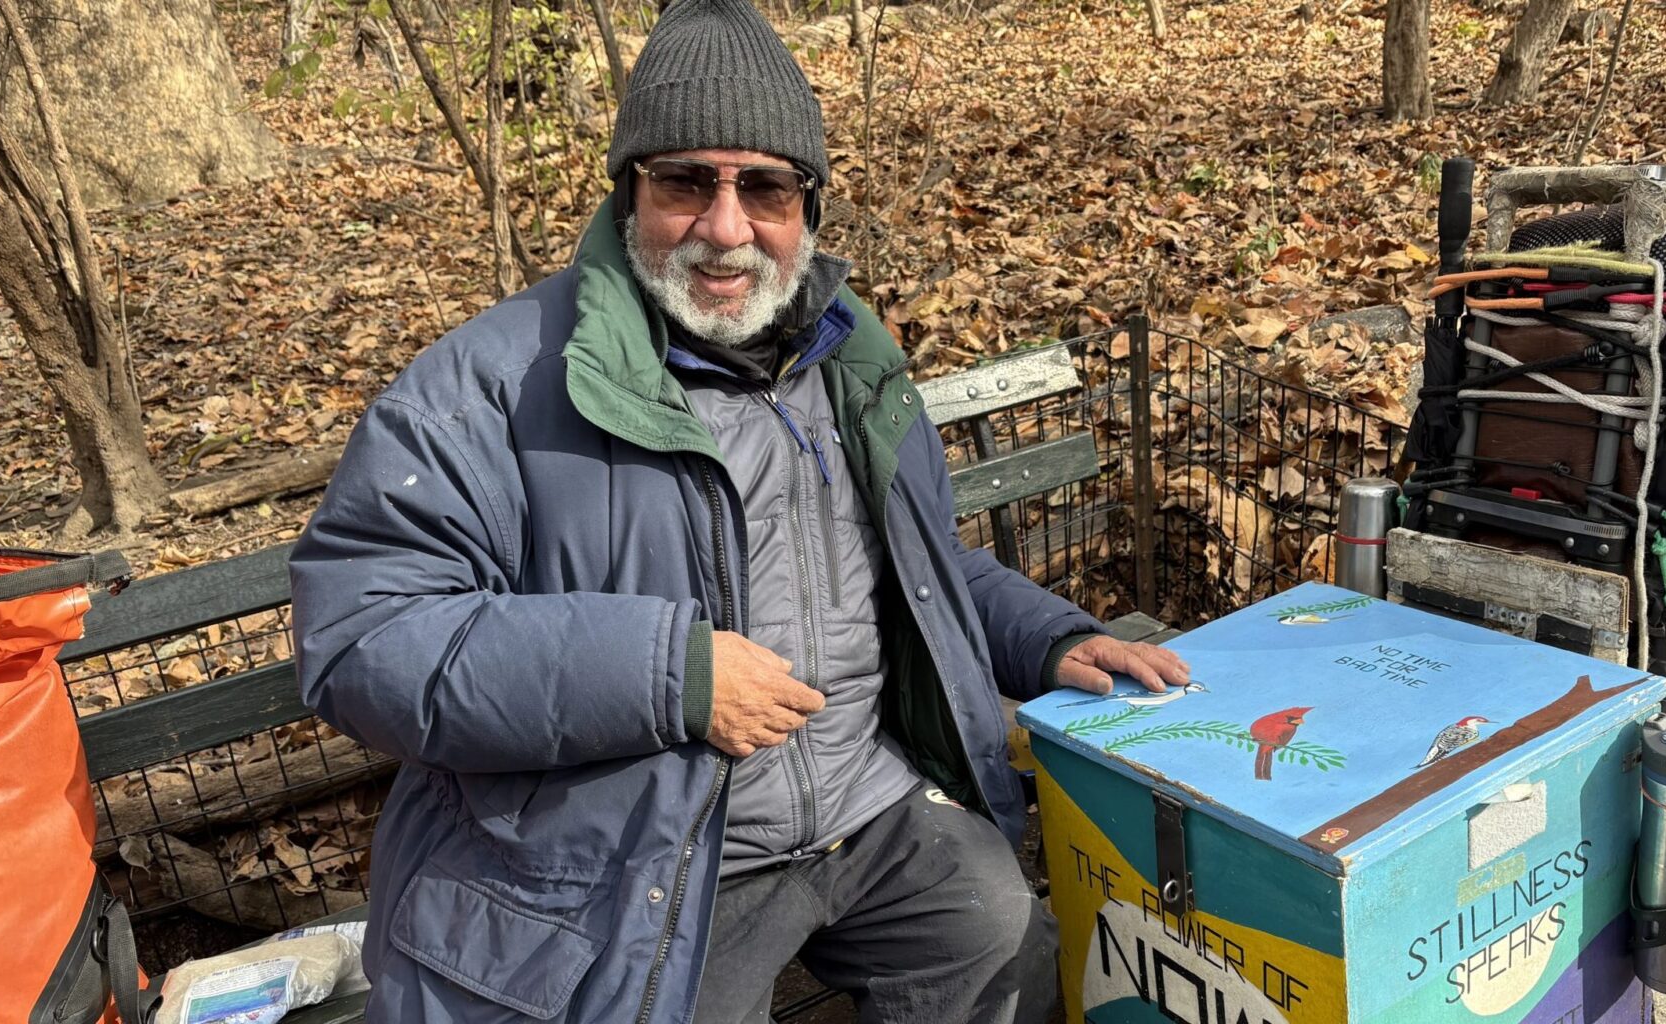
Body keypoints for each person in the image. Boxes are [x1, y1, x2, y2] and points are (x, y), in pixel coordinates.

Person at [288, 1, 1191, 1020]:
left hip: (868, 806)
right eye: (685, 182)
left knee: (1002, 933)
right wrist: (671, 674)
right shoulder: (490, 386)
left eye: (763, 186)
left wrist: (1048, 637)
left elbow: (919, 568)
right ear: (630, 192)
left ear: (807, 206)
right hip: (649, 861)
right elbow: (364, 638)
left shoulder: (846, 361)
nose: (725, 228)